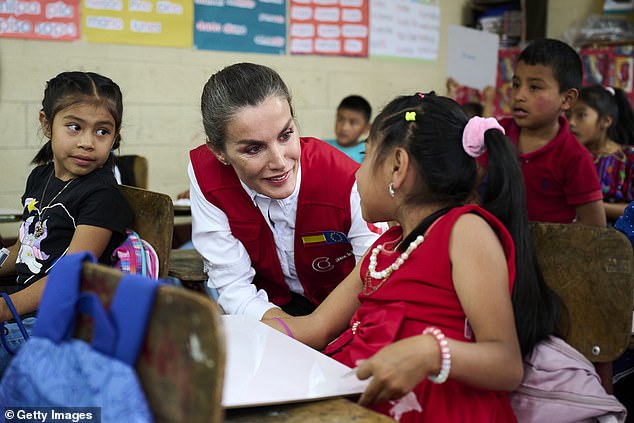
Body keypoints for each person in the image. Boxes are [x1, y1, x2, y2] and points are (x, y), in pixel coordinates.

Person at [264, 93, 561, 422]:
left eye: (365, 158)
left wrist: (431, 351)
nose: (357, 175)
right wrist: (244, 331)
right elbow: (315, 327)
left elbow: (506, 364)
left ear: (398, 167)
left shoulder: (464, 232)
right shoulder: (382, 251)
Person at [188, 63, 383, 319]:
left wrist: (314, 330)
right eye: (254, 149)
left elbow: (372, 279)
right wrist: (289, 330)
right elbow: (234, 286)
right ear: (219, 153)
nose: (280, 161)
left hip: (347, 312)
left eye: (286, 135)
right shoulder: (206, 175)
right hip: (267, 307)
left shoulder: (345, 178)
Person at [0, 71, 133, 374]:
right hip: (27, 307)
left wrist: (5, 308)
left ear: (116, 135)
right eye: (74, 127)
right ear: (46, 124)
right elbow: (25, 249)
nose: (88, 143)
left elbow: (70, 277)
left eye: (102, 132)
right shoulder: (40, 177)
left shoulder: (102, 195)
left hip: (69, 321)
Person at [499, 38, 605, 226]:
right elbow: (471, 192)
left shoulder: (575, 157)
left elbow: (594, 226)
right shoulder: (498, 133)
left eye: (534, 87)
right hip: (495, 246)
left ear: (567, 99)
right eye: (516, 84)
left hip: (547, 253)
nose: (519, 95)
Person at [567, 84, 634, 224]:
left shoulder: (628, 158)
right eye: (568, 116)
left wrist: (594, 208)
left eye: (581, 115)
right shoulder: (571, 156)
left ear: (606, 121)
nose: (571, 123)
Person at [324, 95, 372, 163]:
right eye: (340, 119)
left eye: (353, 123)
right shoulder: (322, 147)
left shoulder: (367, 154)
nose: (344, 128)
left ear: (366, 128)